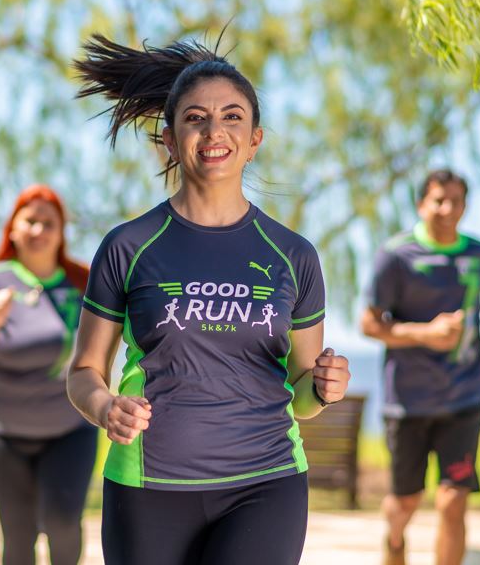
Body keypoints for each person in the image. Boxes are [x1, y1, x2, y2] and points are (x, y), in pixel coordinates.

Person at [66, 35, 352, 565]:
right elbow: (83, 371)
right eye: (195, 118)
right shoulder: (128, 247)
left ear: (254, 139)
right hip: (147, 483)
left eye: (232, 118)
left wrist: (324, 386)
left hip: (265, 483)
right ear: (171, 141)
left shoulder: (293, 255)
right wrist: (107, 408)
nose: (214, 130)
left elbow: (303, 394)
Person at [359, 168, 480, 565]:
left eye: (455, 201)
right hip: (408, 400)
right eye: (438, 200)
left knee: (453, 500)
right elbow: (370, 323)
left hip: (465, 394)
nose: (446, 208)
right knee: (405, 502)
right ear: (421, 204)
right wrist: (426, 333)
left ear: (465, 206)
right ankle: (394, 542)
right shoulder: (395, 256)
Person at [0, 184, 97, 565]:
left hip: (69, 431)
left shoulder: (82, 283)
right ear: (13, 228)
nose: (38, 230)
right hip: (4, 435)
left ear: (61, 232)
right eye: (30, 220)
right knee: (18, 538)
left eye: (48, 222)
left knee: (62, 522)